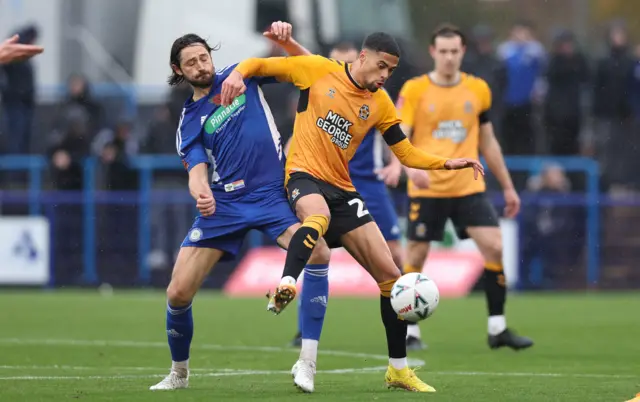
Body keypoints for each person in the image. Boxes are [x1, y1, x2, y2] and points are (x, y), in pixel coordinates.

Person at [221, 32, 484, 393]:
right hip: (302, 176)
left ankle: (398, 370)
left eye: (390, 70)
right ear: (362, 57)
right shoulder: (317, 70)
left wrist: (447, 163)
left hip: (343, 190)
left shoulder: (380, 103)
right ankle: (287, 287)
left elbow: (405, 153)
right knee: (317, 219)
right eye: (381, 66)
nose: (384, 75)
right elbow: (261, 65)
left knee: (392, 278)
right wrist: (238, 74)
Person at [149, 21, 333, 391]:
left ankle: (307, 363)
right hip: (226, 203)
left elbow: (310, 68)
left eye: (204, 57)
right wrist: (200, 191)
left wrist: (285, 41)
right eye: (191, 63)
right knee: (177, 293)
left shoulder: (241, 75)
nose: (201, 66)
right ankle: (179, 374)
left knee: (319, 253)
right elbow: (196, 169)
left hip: (271, 194)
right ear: (178, 71)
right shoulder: (189, 120)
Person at [389, 24, 533, 351]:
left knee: (494, 247)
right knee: (417, 255)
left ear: (463, 52)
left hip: (468, 185)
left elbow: (489, 141)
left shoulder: (478, 89)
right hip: (427, 187)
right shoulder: (414, 90)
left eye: (455, 51)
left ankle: (498, 329)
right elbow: (399, 137)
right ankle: (410, 332)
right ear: (433, 52)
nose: (449, 57)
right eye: (443, 51)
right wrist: (411, 173)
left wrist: (509, 187)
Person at [286, 41, 405, 349]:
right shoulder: (325, 81)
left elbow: (395, 135)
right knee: (317, 251)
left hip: (367, 180)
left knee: (395, 258)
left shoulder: (376, 93)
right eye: (337, 63)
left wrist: (395, 164)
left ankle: (408, 329)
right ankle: (304, 329)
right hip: (325, 179)